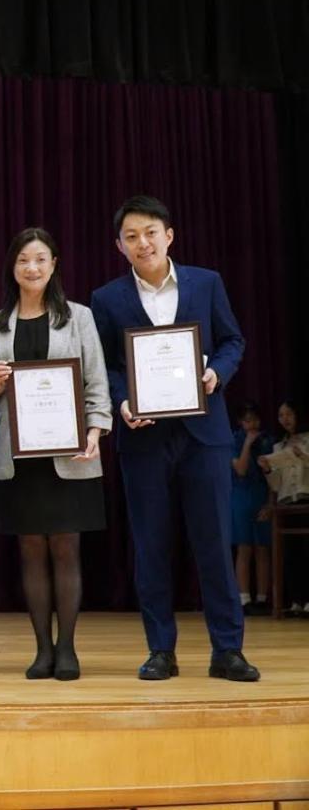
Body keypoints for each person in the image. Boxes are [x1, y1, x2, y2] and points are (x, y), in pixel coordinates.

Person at [90, 194, 258, 682]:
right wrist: (122, 400)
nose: (142, 243)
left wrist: (216, 373)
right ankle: (160, 649)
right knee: (151, 547)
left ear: (169, 235)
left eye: (150, 232)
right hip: (143, 440)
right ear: (119, 246)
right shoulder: (107, 298)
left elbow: (233, 341)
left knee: (214, 543)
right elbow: (106, 365)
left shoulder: (207, 282)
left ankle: (228, 650)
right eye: (131, 236)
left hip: (204, 435)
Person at [0, 228, 111, 681]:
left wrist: (96, 429)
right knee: (31, 549)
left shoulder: (79, 317)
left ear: (54, 265)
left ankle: (67, 648)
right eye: (23, 260)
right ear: (12, 268)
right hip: (18, 457)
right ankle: (42, 650)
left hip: (70, 451)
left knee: (67, 547)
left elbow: (96, 380)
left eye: (39, 259)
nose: (31, 268)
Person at [258, 400, 309, 615]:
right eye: (281, 415)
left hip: (306, 499)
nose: (285, 419)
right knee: (291, 553)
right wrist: (268, 470)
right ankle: (297, 599)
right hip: (287, 502)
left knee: (307, 551)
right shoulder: (279, 446)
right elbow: (277, 485)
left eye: (289, 414)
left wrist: (303, 456)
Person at [229, 401, 273, 617]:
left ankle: (263, 598)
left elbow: (273, 474)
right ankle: (244, 599)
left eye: (255, 420)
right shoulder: (234, 439)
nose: (252, 425)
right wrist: (247, 443)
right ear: (240, 422)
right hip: (241, 496)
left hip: (261, 494)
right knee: (244, 547)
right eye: (247, 421)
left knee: (263, 548)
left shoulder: (267, 440)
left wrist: (270, 503)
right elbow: (240, 469)